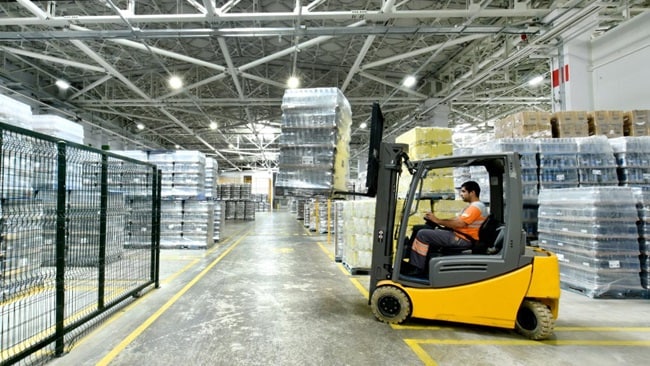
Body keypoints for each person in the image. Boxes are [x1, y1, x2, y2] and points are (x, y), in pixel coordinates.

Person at [406, 181, 488, 275]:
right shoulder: (474, 206)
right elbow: (456, 220)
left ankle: (417, 268)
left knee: (422, 234)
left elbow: (460, 223)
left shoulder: (475, 207)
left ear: (472, 192)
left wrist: (437, 221)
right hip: (461, 236)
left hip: (462, 239)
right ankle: (423, 266)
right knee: (420, 229)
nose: (461, 194)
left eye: (463, 191)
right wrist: (438, 220)